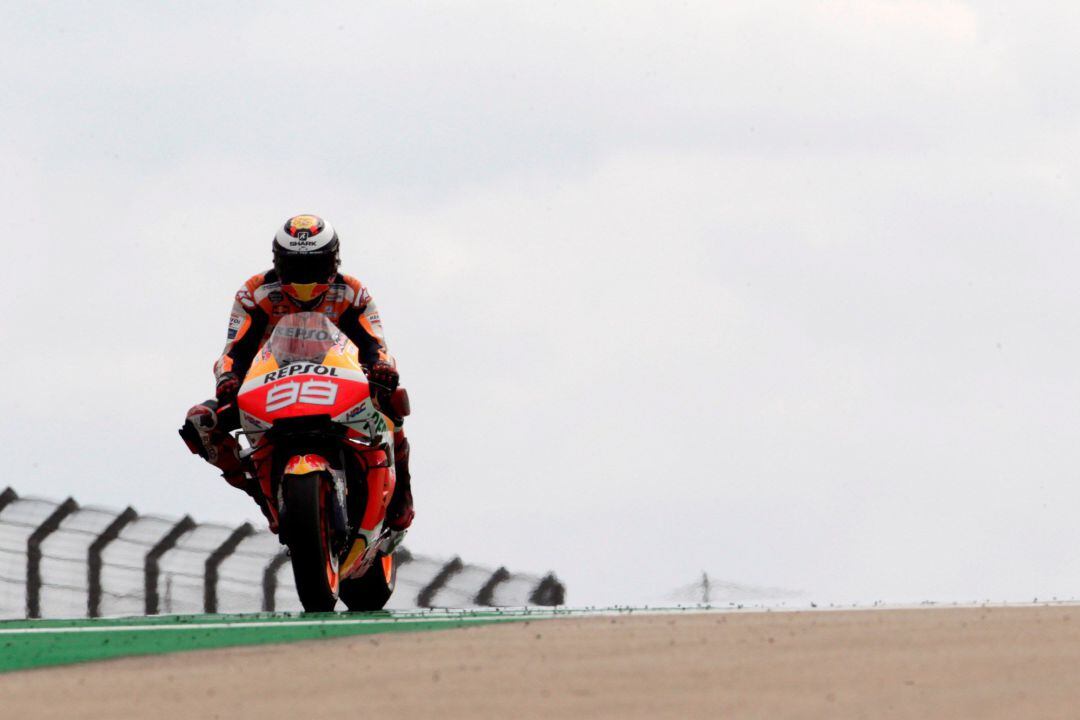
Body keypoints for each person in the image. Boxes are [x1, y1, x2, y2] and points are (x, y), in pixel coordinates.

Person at [179, 214, 414, 532]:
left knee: (393, 400)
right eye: (295, 267)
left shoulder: (353, 293)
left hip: (340, 379)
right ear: (277, 262)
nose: (305, 278)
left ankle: (402, 492)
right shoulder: (255, 294)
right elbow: (233, 350)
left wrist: (382, 369)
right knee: (200, 422)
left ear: (333, 262)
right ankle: (259, 491)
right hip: (267, 384)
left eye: (314, 267)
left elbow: (376, 345)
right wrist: (227, 380)